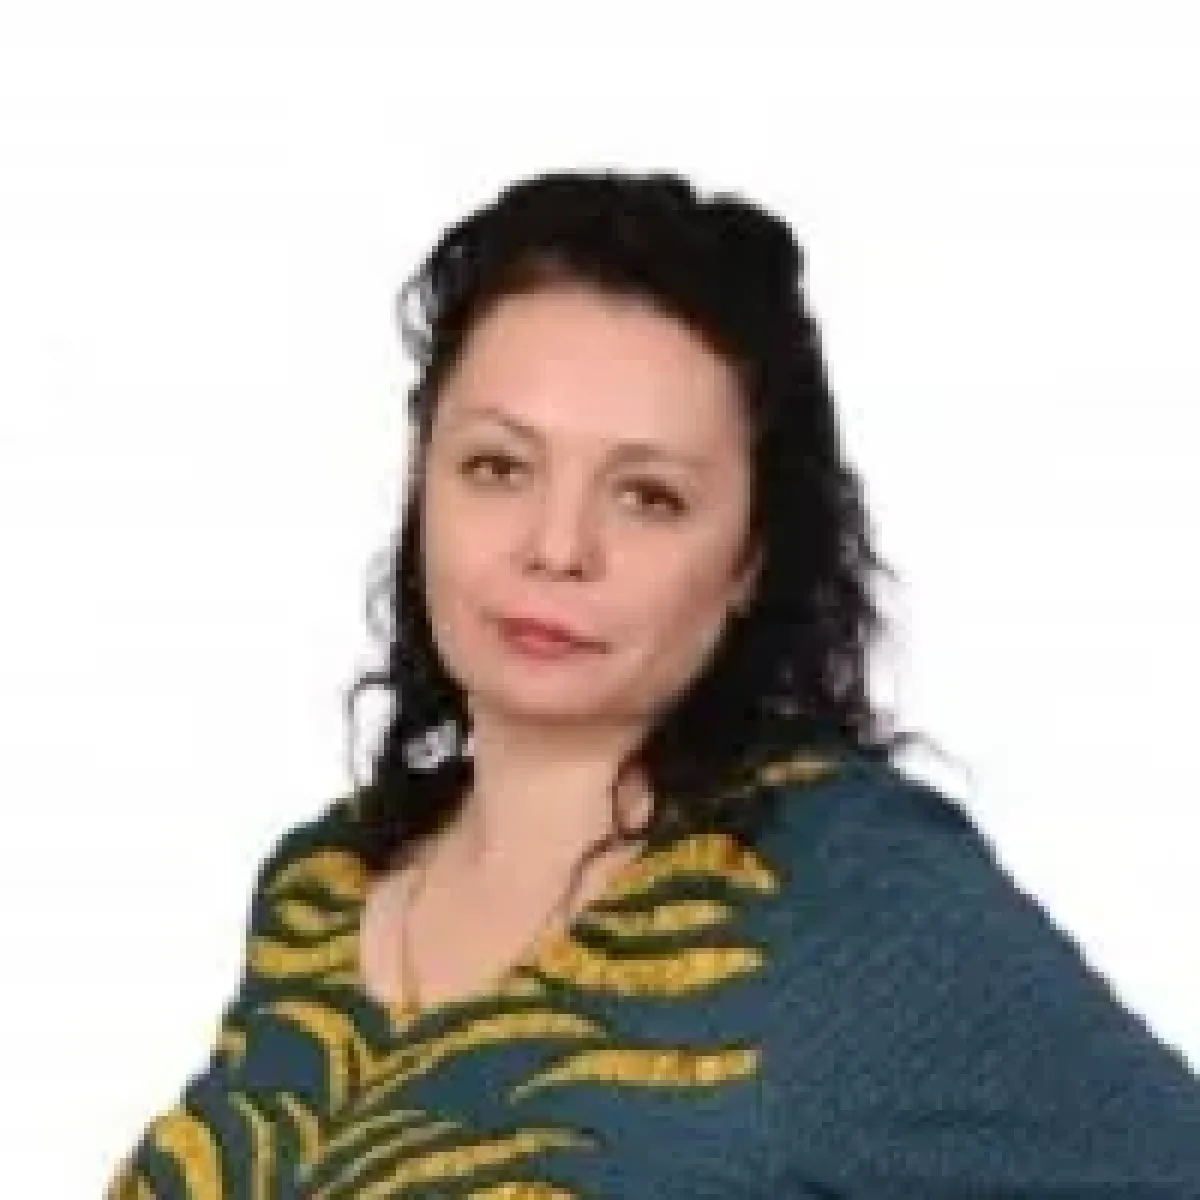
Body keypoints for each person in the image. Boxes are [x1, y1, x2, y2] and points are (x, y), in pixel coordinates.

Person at [104, 169, 1200, 1198]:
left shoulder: (850, 893)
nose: (557, 547)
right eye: (498, 467)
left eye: (649, 497)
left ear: (751, 556)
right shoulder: (319, 888)